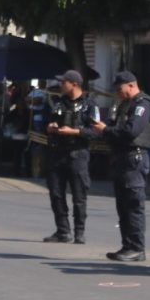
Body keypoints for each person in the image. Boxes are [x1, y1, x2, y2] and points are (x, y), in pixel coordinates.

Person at [91, 70, 150, 262]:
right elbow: (118, 129)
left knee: (133, 204)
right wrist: (105, 130)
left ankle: (137, 247)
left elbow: (131, 131)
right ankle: (127, 245)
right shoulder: (125, 105)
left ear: (131, 84)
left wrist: (106, 130)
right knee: (123, 205)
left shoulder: (143, 104)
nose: (118, 93)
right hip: (122, 158)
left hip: (134, 159)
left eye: (120, 89)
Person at [42, 70, 100, 245]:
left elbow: (96, 132)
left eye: (64, 82)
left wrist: (75, 131)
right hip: (57, 153)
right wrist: (51, 127)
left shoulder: (90, 105)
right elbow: (48, 124)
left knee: (79, 195)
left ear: (74, 84)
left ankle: (79, 232)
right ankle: (63, 231)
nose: (61, 85)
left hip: (78, 154)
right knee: (56, 193)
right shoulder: (58, 103)